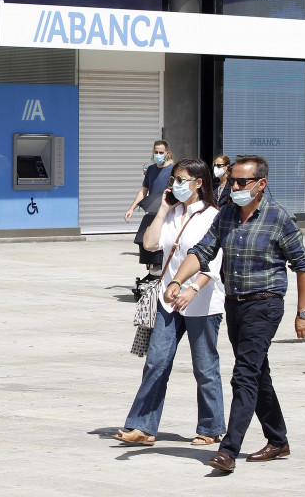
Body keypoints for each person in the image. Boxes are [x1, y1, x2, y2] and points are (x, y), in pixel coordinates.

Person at [165, 154, 305, 473]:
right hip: (235, 303)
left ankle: (228, 450)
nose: (234, 186)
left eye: (242, 182)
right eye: (233, 180)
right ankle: (278, 440)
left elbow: (303, 265)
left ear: (261, 185)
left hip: (266, 303)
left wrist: (303, 312)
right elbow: (202, 251)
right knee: (258, 373)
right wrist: (178, 279)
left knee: (244, 374)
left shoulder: (278, 218)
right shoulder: (228, 214)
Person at [115, 159, 227, 448]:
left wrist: (192, 288)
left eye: (181, 179)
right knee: (156, 362)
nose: (175, 184)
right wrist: (163, 208)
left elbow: (213, 263)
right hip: (168, 299)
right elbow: (151, 244)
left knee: (204, 367)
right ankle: (142, 427)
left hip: (201, 300)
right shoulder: (172, 213)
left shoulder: (214, 215)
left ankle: (211, 427)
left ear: (199, 183)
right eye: (173, 179)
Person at [125, 141, 174, 270]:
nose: (158, 155)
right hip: (152, 211)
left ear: (167, 153)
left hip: (167, 213)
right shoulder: (151, 169)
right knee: (143, 238)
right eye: (156, 152)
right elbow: (143, 190)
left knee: (162, 243)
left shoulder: (173, 170)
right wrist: (132, 208)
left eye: (161, 152)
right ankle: (152, 268)